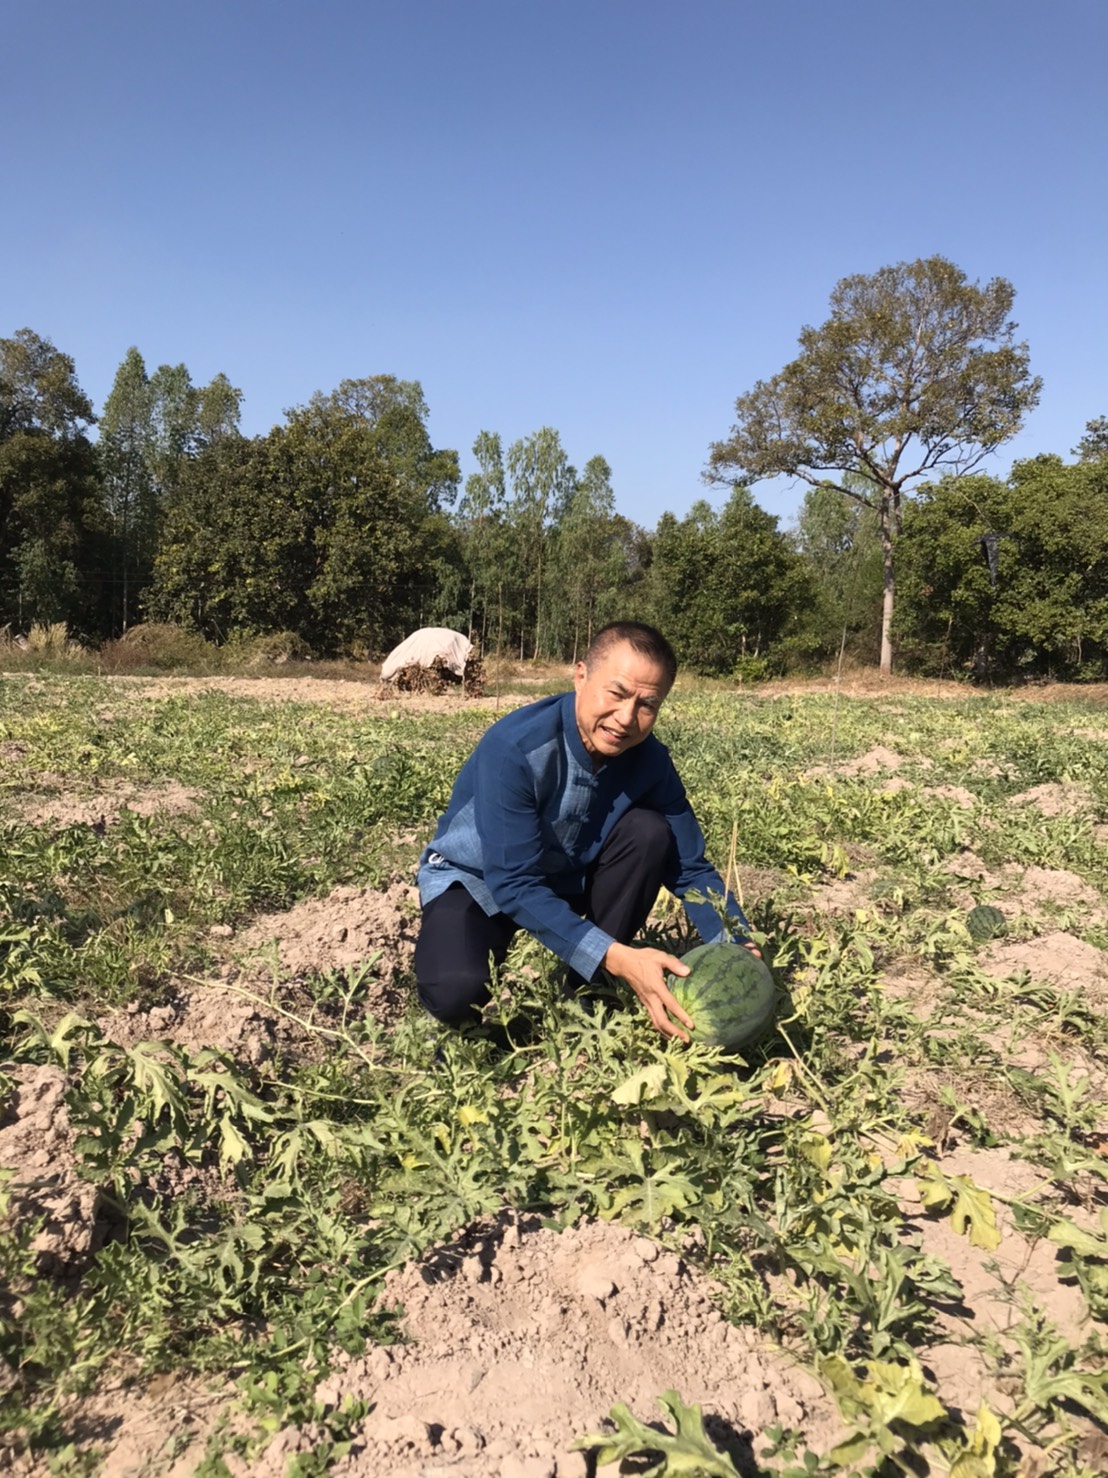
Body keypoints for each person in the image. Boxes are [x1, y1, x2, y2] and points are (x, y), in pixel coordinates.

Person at [413, 621, 756, 1041]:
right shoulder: (516, 747)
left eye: (647, 705)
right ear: (580, 676)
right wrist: (616, 955)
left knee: (650, 833)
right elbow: (514, 883)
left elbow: (691, 868)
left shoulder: (651, 761)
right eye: (617, 693)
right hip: (480, 880)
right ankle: (577, 974)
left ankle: (584, 993)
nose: (626, 718)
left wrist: (738, 944)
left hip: (570, 877)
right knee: (455, 991)